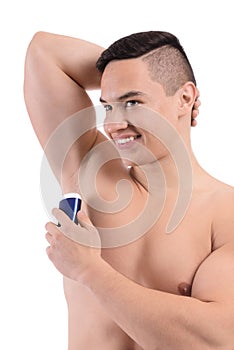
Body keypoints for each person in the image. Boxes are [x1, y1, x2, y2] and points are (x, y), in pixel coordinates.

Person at [24, 30, 234, 350]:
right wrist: (132, 76)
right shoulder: (90, 173)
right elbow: (44, 53)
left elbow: (214, 341)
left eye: (132, 102)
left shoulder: (224, 214)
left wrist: (90, 271)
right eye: (108, 107)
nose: (114, 124)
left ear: (186, 97)